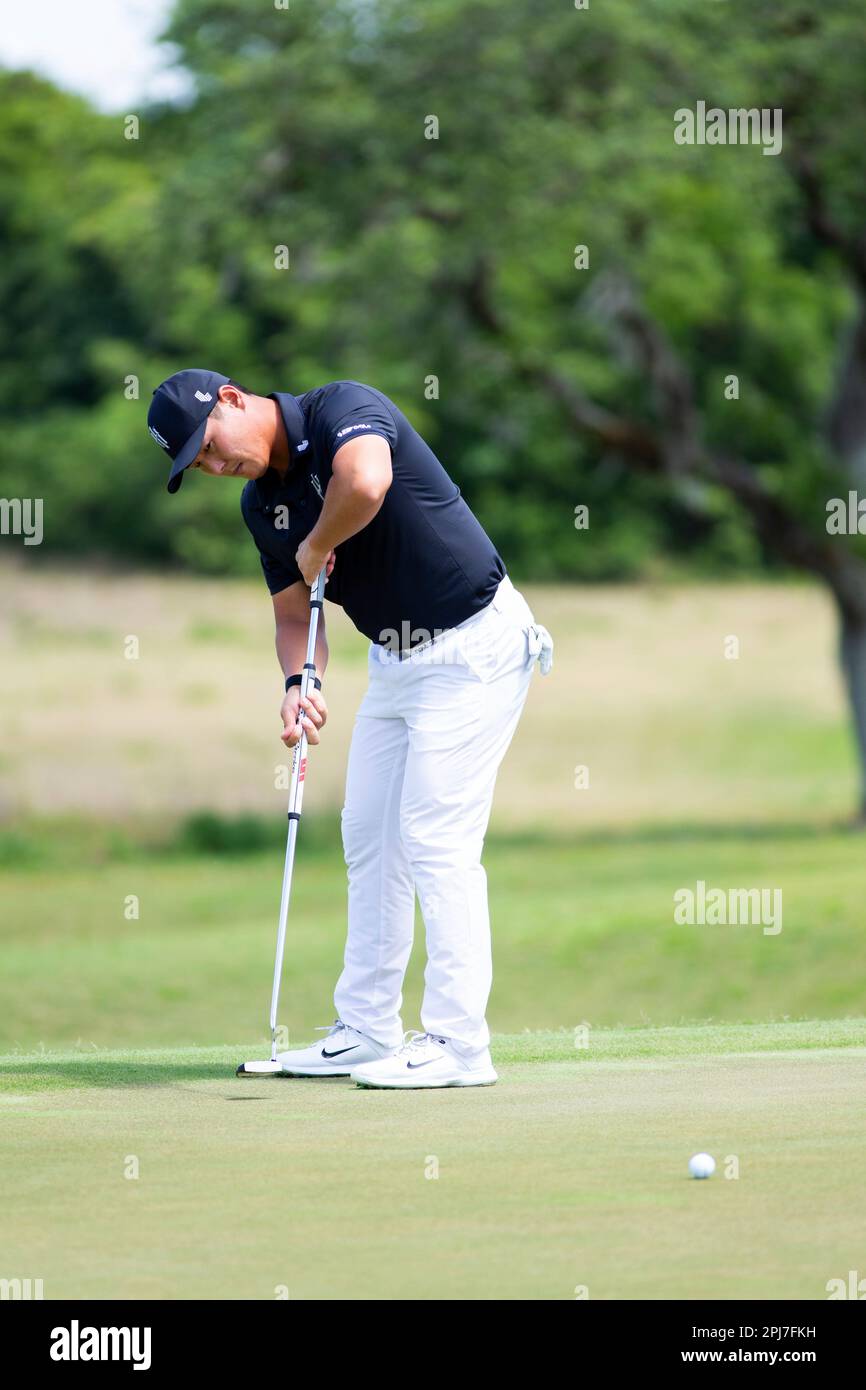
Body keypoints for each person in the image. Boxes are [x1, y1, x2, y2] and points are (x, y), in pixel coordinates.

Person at [147, 368, 553, 1088]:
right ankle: (368, 1028)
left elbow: (364, 484)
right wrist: (301, 682)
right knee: (370, 837)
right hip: (396, 663)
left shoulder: (343, 408)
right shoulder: (259, 505)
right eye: (197, 465)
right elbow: (292, 615)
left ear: (233, 400)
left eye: (208, 445)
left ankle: (461, 1045)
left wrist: (314, 546)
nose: (214, 465)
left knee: (435, 837)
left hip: (475, 644)